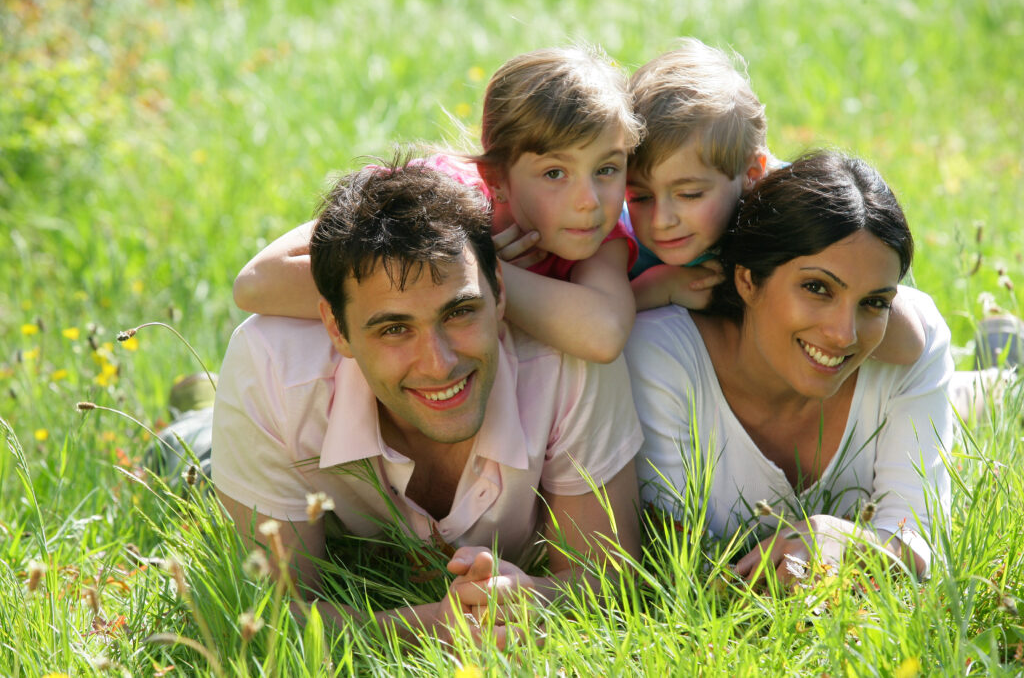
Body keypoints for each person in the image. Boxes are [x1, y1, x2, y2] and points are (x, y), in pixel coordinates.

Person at [212, 154, 642, 644]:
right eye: (394, 329)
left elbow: (612, 579)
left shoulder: (568, 359)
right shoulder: (270, 368)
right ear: (337, 330)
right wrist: (435, 627)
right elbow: (263, 619)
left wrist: (538, 597)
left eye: (459, 312)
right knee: (182, 450)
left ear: (500, 293)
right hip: (235, 438)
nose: (438, 363)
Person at [624, 151, 952, 583]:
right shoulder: (662, 357)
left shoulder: (914, 345)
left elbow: (922, 544)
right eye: (817, 288)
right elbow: (679, 570)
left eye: (874, 302)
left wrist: (842, 540)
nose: (844, 334)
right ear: (746, 280)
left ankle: (995, 378)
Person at [232, 45, 644, 363]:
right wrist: (457, 268)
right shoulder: (434, 194)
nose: (589, 200)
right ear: (496, 178)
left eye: (607, 169)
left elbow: (603, 335)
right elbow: (256, 283)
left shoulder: (601, 233)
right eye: (555, 173)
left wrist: (481, 271)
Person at [624, 39, 927, 365]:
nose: (660, 220)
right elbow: (601, 324)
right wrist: (655, 287)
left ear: (753, 172)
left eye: (689, 194)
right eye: (639, 196)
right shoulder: (625, 238)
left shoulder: (799, 213)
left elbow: (908, 346)